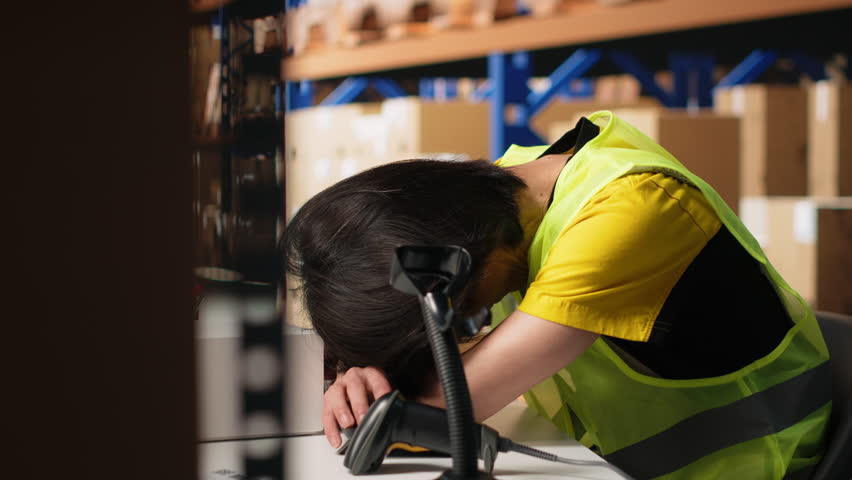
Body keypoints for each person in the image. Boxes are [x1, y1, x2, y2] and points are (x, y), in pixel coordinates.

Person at [282, 111, 831, 479]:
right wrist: (363, 379)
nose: (458, 324)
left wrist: (387, 401)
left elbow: (446, 406)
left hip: (747, 464)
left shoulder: (626, 212)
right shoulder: (503, 196)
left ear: (453, 268)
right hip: (600, 462)